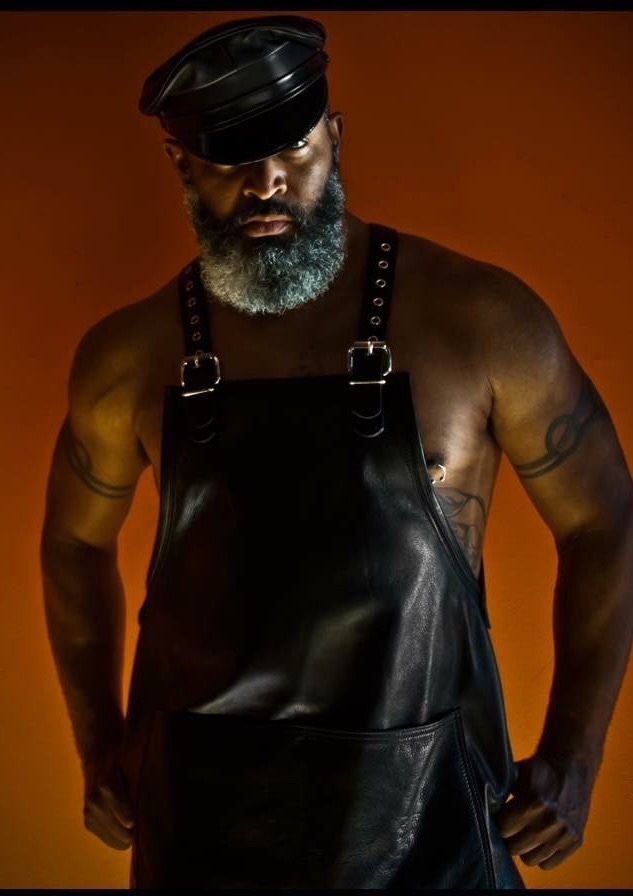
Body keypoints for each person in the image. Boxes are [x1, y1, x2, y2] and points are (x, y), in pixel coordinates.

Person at [40, 14, 633, 890]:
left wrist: (573, 758)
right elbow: (73, 541)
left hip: (430, 835)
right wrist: (98, 744)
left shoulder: (478, 321)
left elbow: (603, 517)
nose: (267, 183)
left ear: (335, 138)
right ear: (181, 166)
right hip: (201, 834)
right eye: (230, 162)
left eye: (295, 149)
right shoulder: (129, 358)